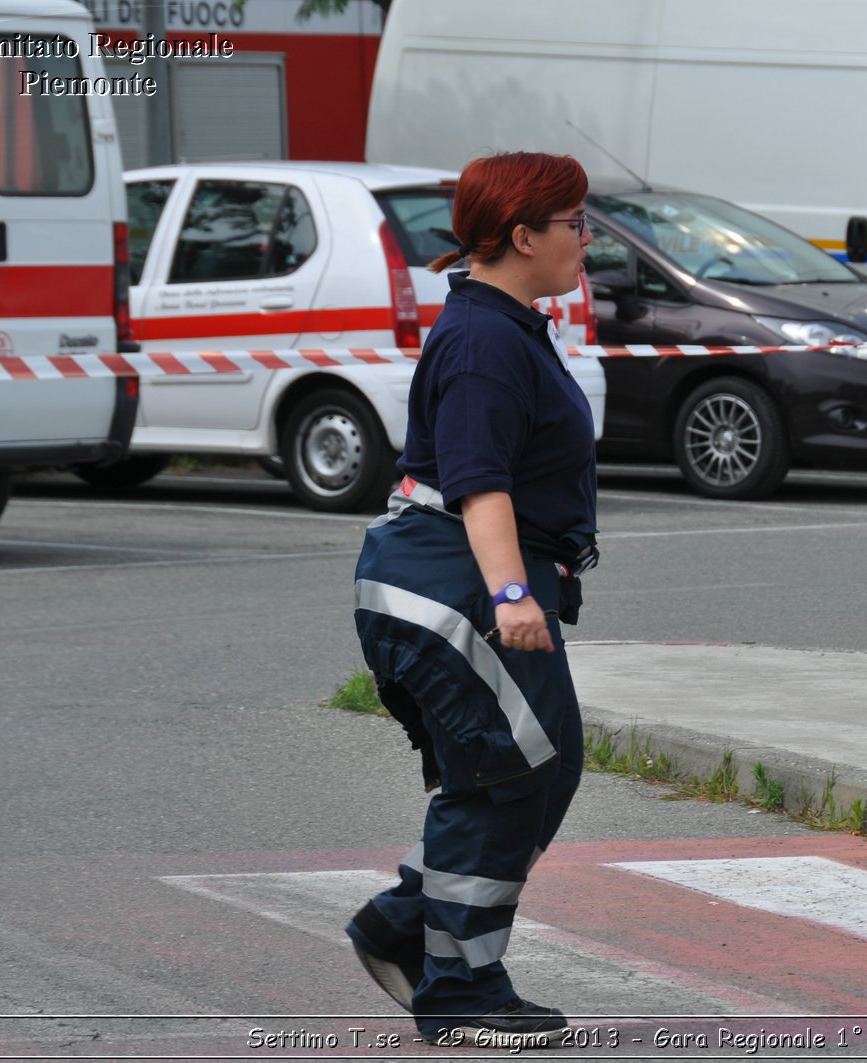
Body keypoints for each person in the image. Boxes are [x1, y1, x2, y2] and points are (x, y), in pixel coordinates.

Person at [345, 151, 598, 1050]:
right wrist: (514, 593)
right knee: (507, 774)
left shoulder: (506, 324)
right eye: (573, 222)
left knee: (541, 767)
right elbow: (479, 484)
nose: (586, 237)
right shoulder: (487, 340)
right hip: (453, 588)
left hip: (457, 582)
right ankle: (458, 989)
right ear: (523, 236)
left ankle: (406, 925)